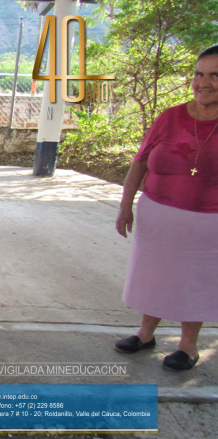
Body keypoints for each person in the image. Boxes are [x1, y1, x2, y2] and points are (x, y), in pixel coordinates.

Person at [114, 44, 218, 372]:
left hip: (208, 222)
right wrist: (125, 206)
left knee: (196, 281)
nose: (204, 82)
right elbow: (140, 163)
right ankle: (145, 334)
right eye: (199, 74)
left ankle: (187, 347)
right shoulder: (170, 117)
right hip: (157, 215)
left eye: (215, 75)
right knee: (155, 278)